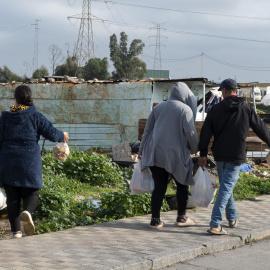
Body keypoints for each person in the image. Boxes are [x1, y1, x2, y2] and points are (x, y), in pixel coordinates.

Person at [198, 78, 270, 235]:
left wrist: (203, 153)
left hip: (220, 155)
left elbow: (205, 133)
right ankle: (215, 224)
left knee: (226, 186)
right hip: (236, 154)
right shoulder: (246, 108)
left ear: (223, 91)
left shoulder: (215, 110)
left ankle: (232, 218)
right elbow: (261, 128)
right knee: (225, 188)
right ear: (236, 92)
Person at [0, 85, 69, 238]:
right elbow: (51, 133)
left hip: (8, 160)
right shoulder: (35, 115)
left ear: (15, 99)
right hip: (29, 159)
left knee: (12, 197)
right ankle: (27, 212)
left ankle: (16, 232)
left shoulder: (5, 117)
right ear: (30, 97)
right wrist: (62, 135)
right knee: (32, 191)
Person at [138, 82, 198, 229]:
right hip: (177, 154)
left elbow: (147, 130)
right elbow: (190, 133)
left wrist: (141, 149)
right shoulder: (186, 110)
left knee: (159, 187)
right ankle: (181, 217)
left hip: (156, 152)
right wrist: (195, 149)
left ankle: (155, 220)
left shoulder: (157, 108)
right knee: (182, 184)